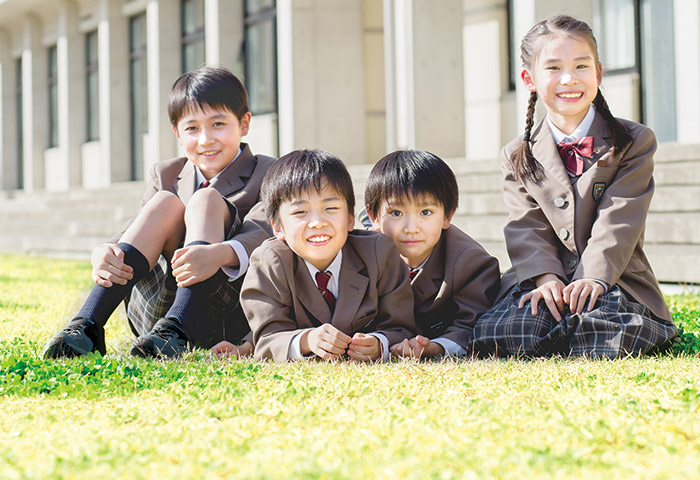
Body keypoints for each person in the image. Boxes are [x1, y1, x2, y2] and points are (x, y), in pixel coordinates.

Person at [471, 15, 677, 358]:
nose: (569, 79)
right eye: (553, 68)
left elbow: (620, 219)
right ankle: (562, 328)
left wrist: (593, 278)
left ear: (597, 72)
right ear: (529, 78)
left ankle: (575, 330)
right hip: (546, 277)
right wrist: (545, 279)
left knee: (609, 328)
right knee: (510, 329)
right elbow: (526, 225)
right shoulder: (516, 154)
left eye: (581, 66)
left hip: (613, 277)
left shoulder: (634, 141)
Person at [43, 66, 274, 359]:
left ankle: (178, 328)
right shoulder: (166, 173)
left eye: (218, 124)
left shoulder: (268, 172)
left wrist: (221, 253)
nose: (205, 139)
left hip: (227, 312)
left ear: (244, 124)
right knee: (166, 202)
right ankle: (86, 325)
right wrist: (104, 251)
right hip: (157, 310)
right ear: (178, 133)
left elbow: (265, 229)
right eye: (192, 128)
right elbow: (139, 225)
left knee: (205, 200)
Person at [237, 149, 415, 362]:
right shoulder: (269, 262)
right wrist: (306, 340)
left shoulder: (378, 253)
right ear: (277, 227)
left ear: (350, 218)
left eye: (331, 208)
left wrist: (379, 343)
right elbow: (267, 340)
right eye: (300, 212)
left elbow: (402, 325)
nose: (318, 222)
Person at [363, 150, 500, 359]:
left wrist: (432, 348)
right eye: (396, 213)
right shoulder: (360, 256)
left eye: (425, 212)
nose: (411, 228)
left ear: (447, 215)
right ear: (373, 216)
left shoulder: (471, 263)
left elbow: (468, 327)